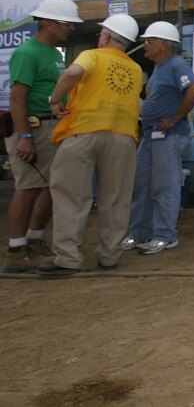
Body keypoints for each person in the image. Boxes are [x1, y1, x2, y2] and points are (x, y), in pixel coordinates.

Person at [37, 14, 144, 276]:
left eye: (101, 34)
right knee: (116, 198)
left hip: (82, 132)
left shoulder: (93, 55)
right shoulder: (135, 69)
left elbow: (73, 72)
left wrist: (55, 99)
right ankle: (110, 255)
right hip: (122, 137)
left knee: (72, 196)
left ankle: (68, 258)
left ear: (106, 37)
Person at [3, 0, 80, 273]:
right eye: (66, 23)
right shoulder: (28, 53)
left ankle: (34, 240)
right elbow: (17, 98)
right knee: (27, 187)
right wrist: (24, 137)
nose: (70, 28)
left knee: (50, 187)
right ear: (48, 23)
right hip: (33, 129)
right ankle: (15, 249)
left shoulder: (53, 53)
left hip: (50, 127)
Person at [121, 22, 194, 255]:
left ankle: (165, 236)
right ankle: (139, 233)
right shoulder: (159, 67)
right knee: (142, 186)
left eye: (150, 42)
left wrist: (175, 118)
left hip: (169, 135)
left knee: (164, 186)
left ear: (165, 45)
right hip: (151, 136)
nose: (144, 46)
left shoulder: (176, 65)